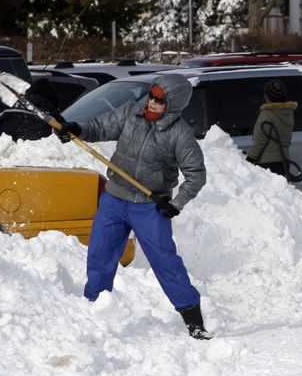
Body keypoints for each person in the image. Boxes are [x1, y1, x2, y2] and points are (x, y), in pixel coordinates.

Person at [54, 74, 210, 340]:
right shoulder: (132, 113)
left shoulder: (179, 135)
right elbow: (101, 126)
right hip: (114, 198)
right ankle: (94, 309)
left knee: (165, 262)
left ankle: (193, 319)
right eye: (151, 96)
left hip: (149, 206)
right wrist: (76, 128)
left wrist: (177, 203)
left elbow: (197, 174)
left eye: (159, 100)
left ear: (172, 105)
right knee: (100, 255)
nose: (152, 103)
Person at [246, 79, 301, 182]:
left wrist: (249, 159)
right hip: (284, 161)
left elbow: (260, 142)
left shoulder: (267, 114)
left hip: (267, 163)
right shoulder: (288, 113)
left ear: (267, 96)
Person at [0, 77, 65, 147]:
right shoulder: (51, 115)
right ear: (50, 99)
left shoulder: (6, 112)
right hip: (40, 155)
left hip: (6, 156)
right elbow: (69, 136)